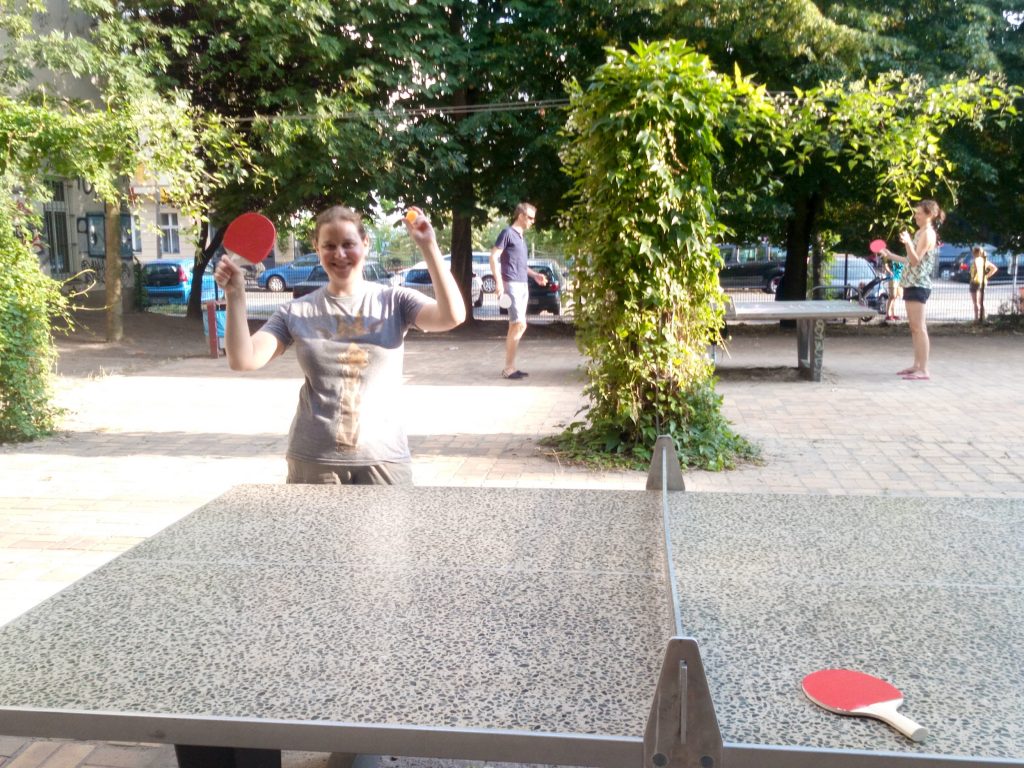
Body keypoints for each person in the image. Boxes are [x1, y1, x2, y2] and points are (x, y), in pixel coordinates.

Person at [213, 205, 465, 485]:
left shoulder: (395, 301)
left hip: (384, 457)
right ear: (317, 249)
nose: (340, 254)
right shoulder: (296, 311)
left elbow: (452, 316)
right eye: (329, 246)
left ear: (365, 244)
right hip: (314, 461)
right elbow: (243, 359)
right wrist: (235, 295)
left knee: (390, 531)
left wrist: (429, 247)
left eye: (348, 244)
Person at [878, 199, 944, 381]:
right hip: (911, 282)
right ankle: (917, 365)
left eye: (919, 213)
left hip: (919, 284)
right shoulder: (920, 232)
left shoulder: (928, 234)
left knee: (919, 327)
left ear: (929, 215)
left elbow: (915, 260)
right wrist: (891, 255)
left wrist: (907, 242)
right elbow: (910, 260)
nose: (916, 216)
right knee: (914, 328)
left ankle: (923, 370)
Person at [489, 202, 547, 380]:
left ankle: (511, 366)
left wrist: (535, 275)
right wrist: (499, 283)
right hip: (511, 285)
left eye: (533, 219)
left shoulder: (521, 238)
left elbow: (521, 265)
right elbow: (493, 257)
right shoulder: (507, 233)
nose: (532, 222)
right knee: (519, 324)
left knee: (515, 325)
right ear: (520, 216)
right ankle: (508, 368)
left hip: (522, 284)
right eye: (529, 218)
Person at [968, 245, 998, 322]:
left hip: (975, 282)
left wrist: (974, 276)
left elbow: (975, 270)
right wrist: (987, 276)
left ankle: (976, 318)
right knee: (981, 301)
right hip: (983, 282)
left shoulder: (975, 261)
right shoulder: (984, 261)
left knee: (975, 302)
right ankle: (983, 317)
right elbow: (994, 268)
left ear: (974, 253)